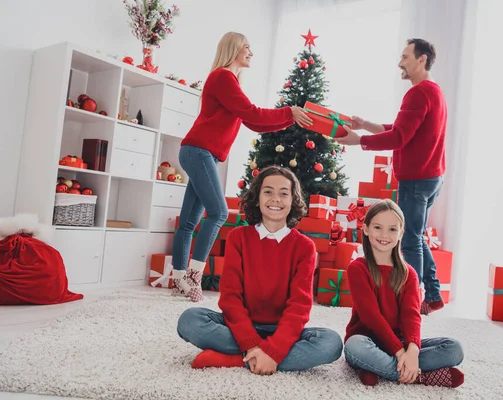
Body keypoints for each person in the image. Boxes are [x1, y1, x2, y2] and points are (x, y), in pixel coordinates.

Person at [171, 32, 313, 302]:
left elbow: (254, 122)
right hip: (199, 151)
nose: (251, 52)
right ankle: (192, 276)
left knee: (189, 221)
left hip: (201, 153)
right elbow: (252, 113)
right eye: (247, 47)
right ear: (233, 49)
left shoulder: (229, 82)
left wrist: (290, 119)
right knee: (219, 213)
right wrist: (288, 112)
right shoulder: (223, 77)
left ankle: (178, 279)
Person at [177, 165, 343, 374]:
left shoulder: (305, 246)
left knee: (331, 343)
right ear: (257, 198)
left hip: (282, 330)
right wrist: (251, 343)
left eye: (284, 193)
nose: (275, 199)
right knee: (190, 320)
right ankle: (256, 355)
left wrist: (274, 349)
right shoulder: (238, 237)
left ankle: (238, 360)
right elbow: (230, 298)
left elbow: (299, 307)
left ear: (293, 201)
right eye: (268, 192)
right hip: (239, 327)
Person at [335, 38, 446, 315]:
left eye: (406, 57)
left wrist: (358, 141)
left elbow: (398, 136)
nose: (400, 63)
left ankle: (412, 301)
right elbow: (399, 127)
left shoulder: (418, 93)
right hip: (432, 177)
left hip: (417, 180)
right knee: (417, 236)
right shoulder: (433, 92)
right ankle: (432, 295)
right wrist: (365, 126)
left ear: (422, 60)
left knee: (408, 240)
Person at [343, 199, 464, 388]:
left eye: (392, 229)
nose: (384, 235)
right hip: (366, 340)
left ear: (401, 233)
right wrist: (400, 353)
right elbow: (370, 316)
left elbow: (411, 315)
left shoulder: (409, 274)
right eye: (377, 227)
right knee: (354, 346)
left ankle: (378, 368)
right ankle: (419, 376)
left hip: (400, 341)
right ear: (365, 229)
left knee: (454, 349)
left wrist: (412, 351)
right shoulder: (357, 268)